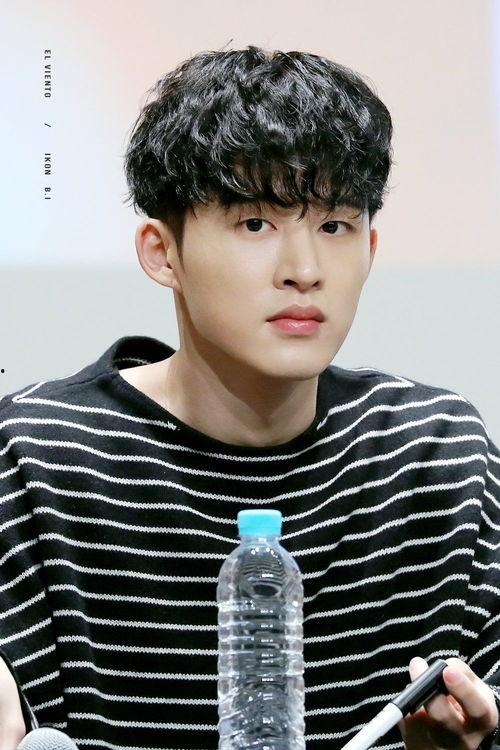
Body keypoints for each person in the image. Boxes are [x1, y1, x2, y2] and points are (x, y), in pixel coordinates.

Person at [1, 45, 499, 750]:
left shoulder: (435, 453)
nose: (304, 270)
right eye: (255, 224)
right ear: (161, 252)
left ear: (371, 248)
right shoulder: (37, 457)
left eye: (334, 226)